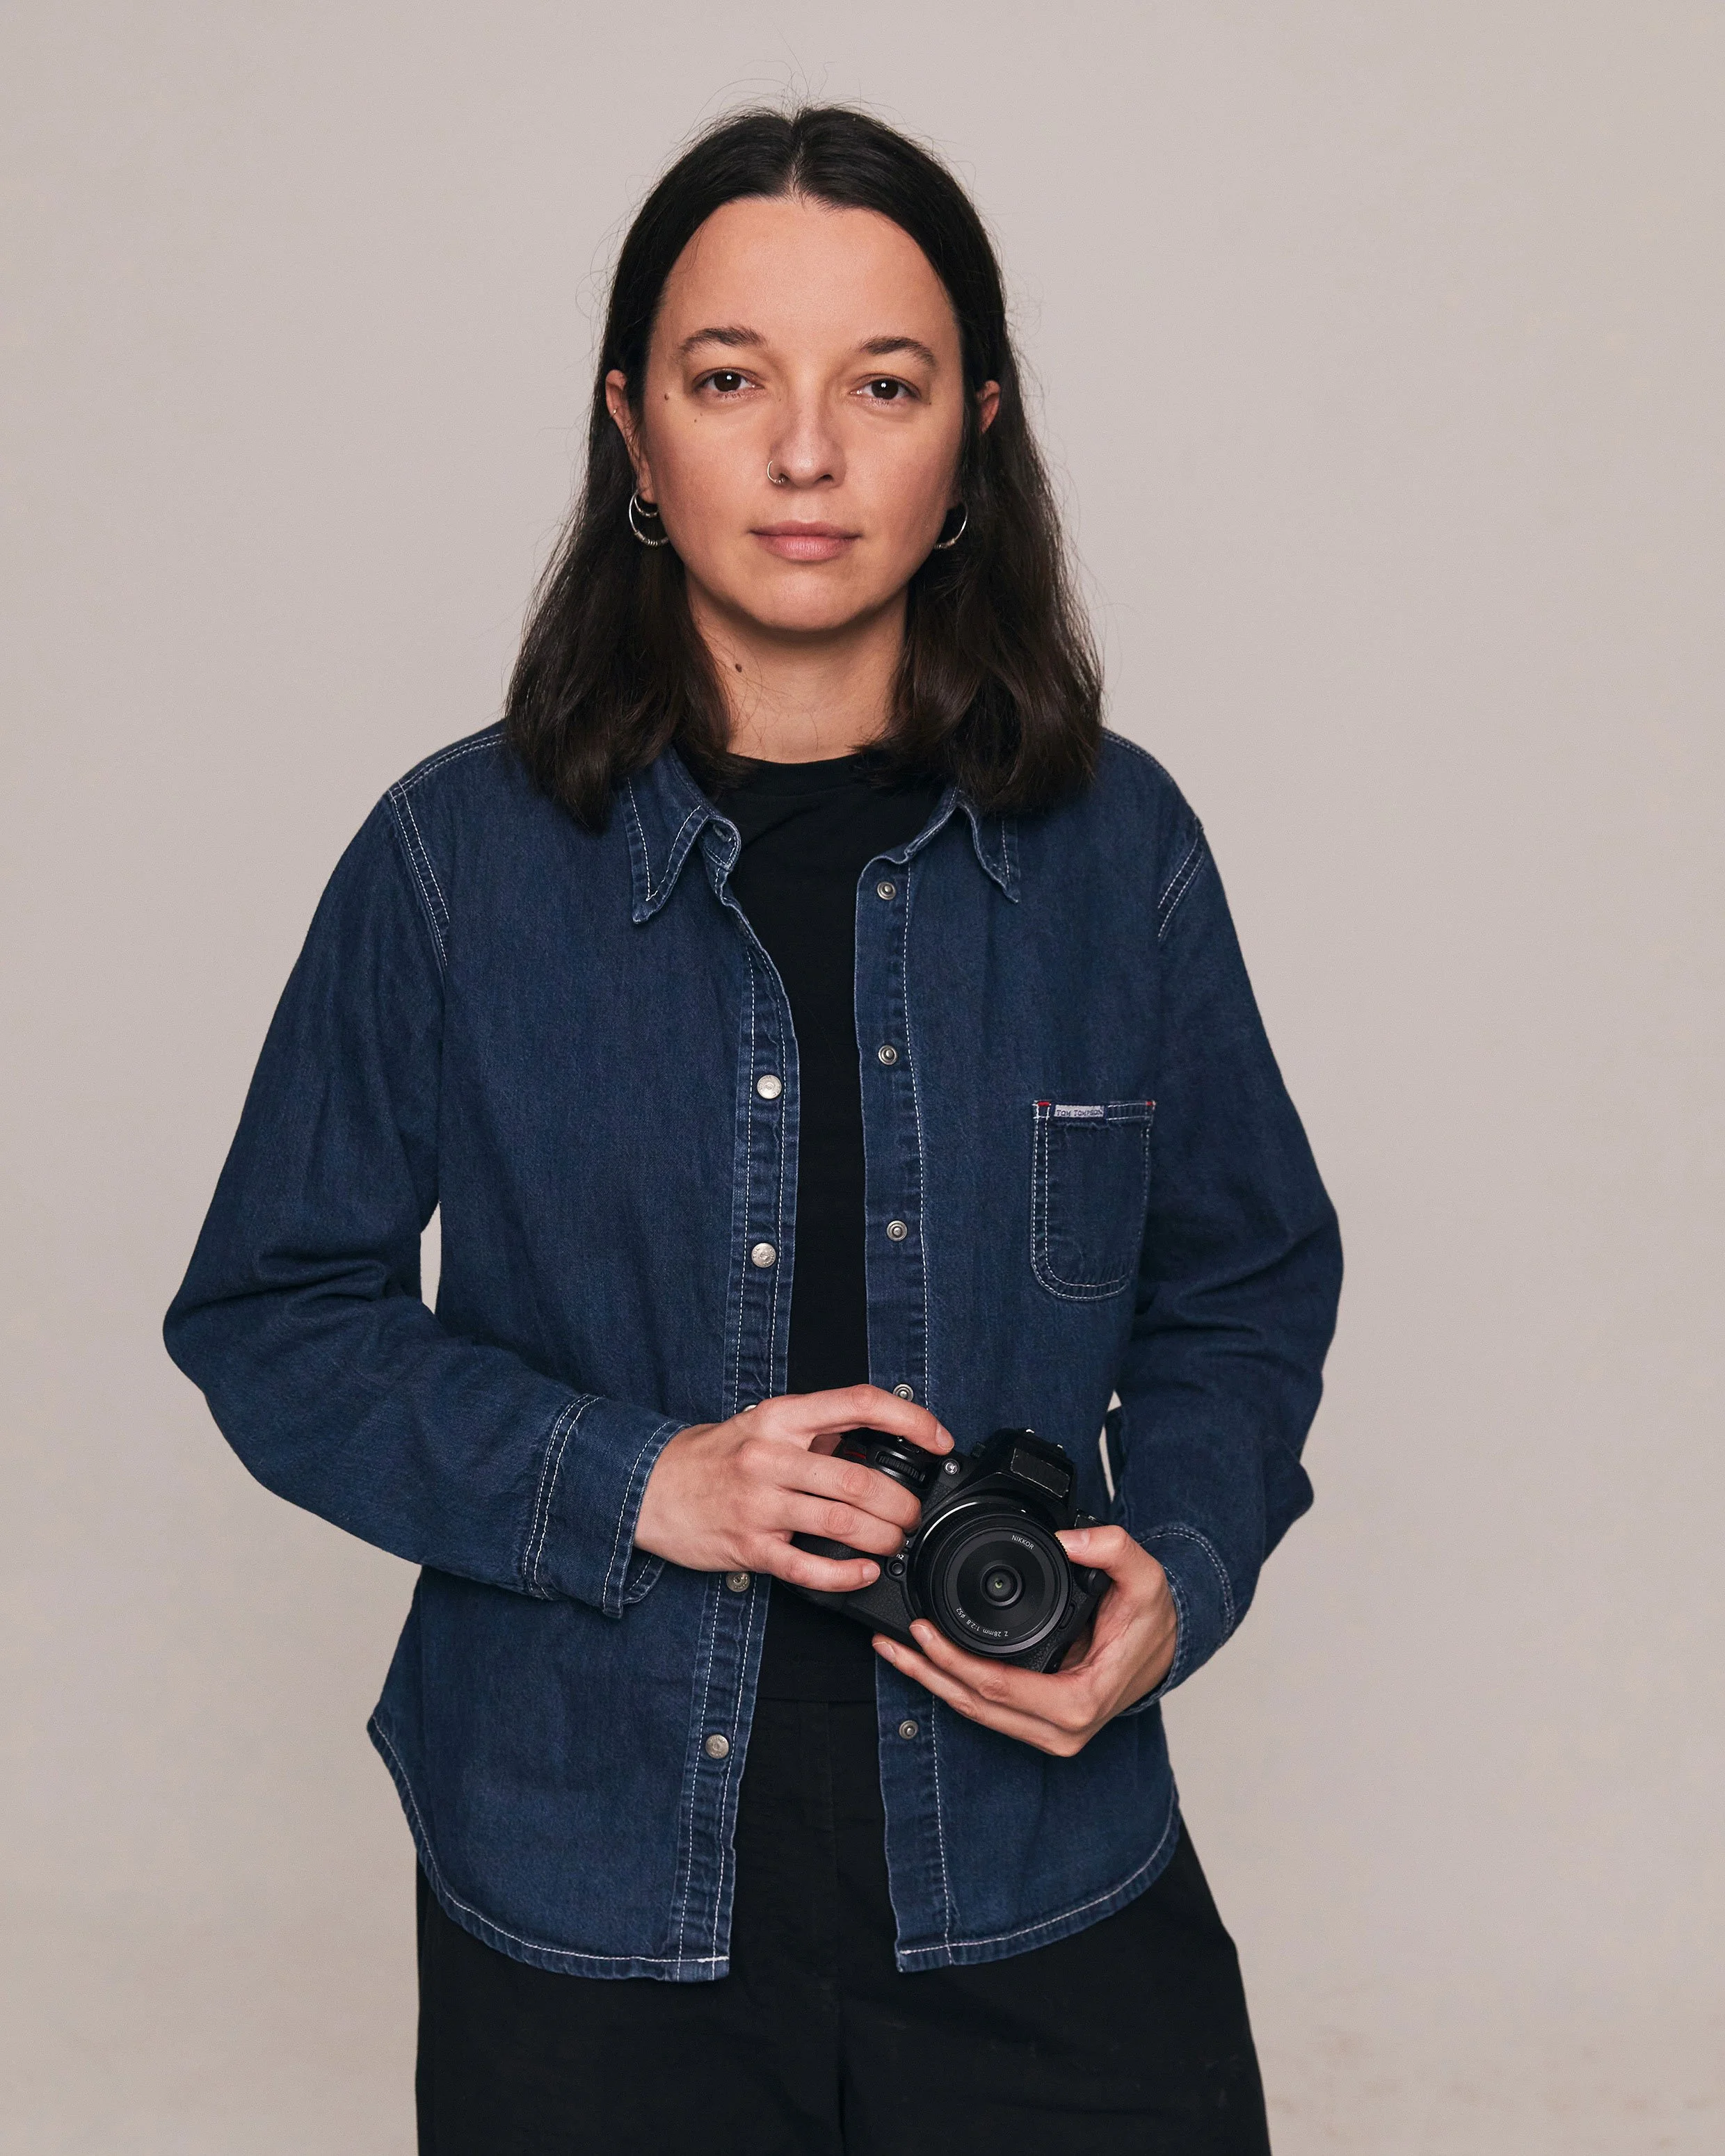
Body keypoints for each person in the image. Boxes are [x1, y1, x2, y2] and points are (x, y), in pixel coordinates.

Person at [165, 104, 1342, 2155]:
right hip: (587, 1895)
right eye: (732, 381)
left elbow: (1245, 1276)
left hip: (1034, 1859)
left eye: (880, 386)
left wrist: (1188, 1568)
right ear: (635, 431)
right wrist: (640, 1481)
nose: (807, 453)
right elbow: (273, 1312)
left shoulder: (1114, 850)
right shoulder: (455, 864)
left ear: (974, 429)